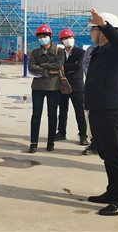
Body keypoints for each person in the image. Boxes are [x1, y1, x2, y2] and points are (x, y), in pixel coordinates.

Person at [84, 10, 118, 216]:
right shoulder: (99, 51)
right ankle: (112, 192)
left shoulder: (117, 51)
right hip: (98, 109)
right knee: (106, 155)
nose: (91, 33)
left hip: (112, 110)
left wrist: (104, 25)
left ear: (104, 31)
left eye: (94, 29)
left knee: (116, 156)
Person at [27, 25, 64, 153]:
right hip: (37, 87)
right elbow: (31, 67)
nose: (43, 38)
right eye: (40, 36)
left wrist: (41, 65)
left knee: (52, 115)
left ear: (50, 37)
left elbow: (59, 65)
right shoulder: (35, 52)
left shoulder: (59, 51)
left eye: (45, 36)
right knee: (36, 115)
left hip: (54, 87)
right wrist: (47, 71)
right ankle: (33, 143)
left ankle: (50, 142)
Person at [55, 29, 88, 146]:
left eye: (70, 37)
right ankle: (61, 132)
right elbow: (57, 66)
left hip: (77, 86)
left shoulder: (81, 52)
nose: (68, 40)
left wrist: (63, 67)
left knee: (79, 112)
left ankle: (83, 135)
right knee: (62, 111)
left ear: (73, 39)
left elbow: (78, 67)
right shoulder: (59, 53)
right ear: (61, 41)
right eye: (65, 38)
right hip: (63, 85)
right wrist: (70, 66)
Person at [81, 43, 98, 156]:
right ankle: (95, 143)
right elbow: (86, 67)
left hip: (112, 89)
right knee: (93, 117)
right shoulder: (91, 50)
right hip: (93, 87)